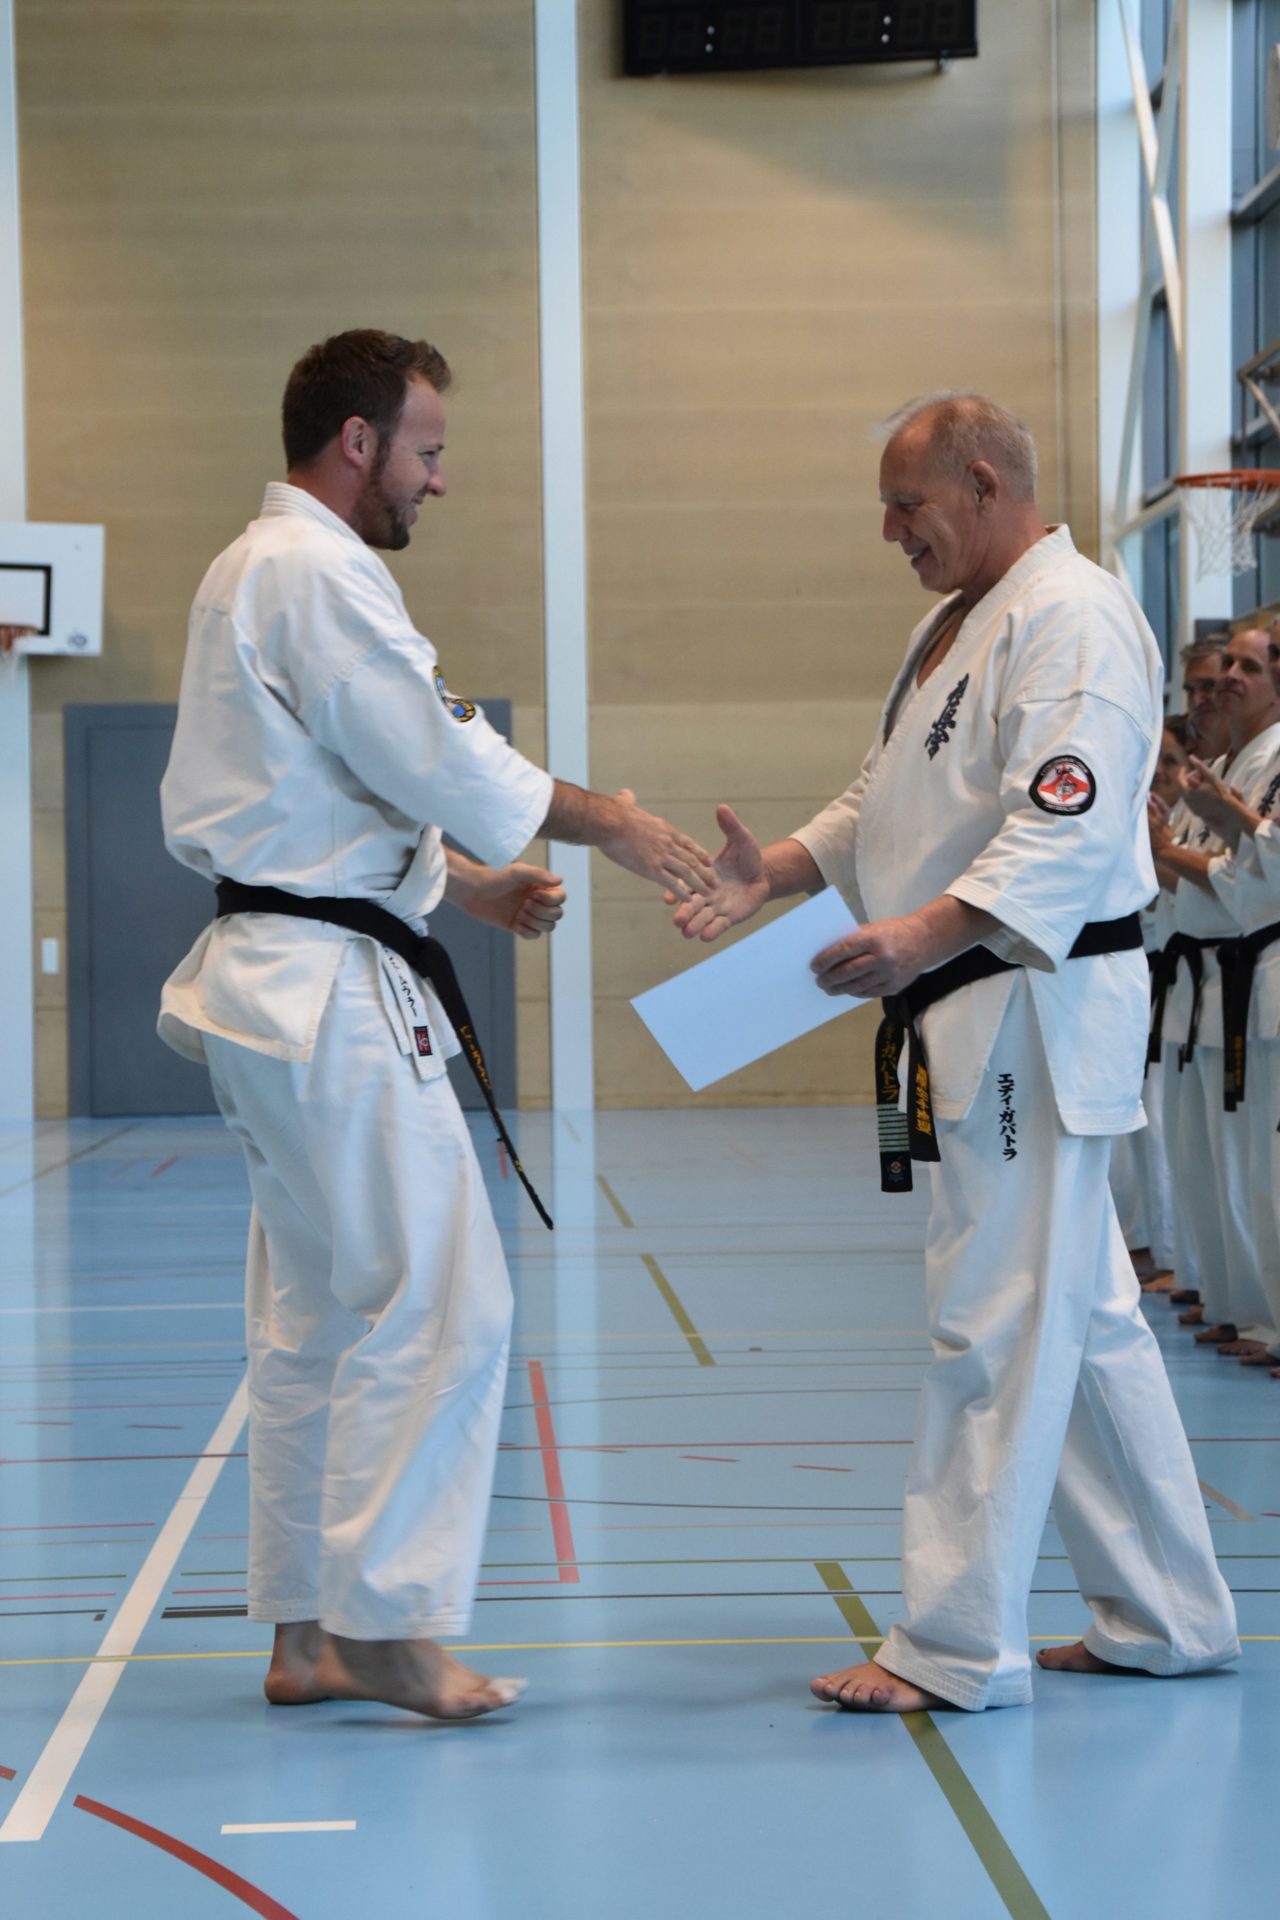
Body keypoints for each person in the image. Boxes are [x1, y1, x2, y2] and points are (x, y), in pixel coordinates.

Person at [159, 329, 714, 1723]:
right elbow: (438, 749)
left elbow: (323, 795)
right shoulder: (314, 572)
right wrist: (610, 822)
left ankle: (304, 1632)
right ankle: (389, 1626)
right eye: (426, 449)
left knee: (312, 1319)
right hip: (327, 998)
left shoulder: (250, 569)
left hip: (270, 980)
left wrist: (463, 886)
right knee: (446, 1298)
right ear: (358, 441)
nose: (438, 479)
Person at [673, 392, 1238, 1713]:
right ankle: (1168, 1616)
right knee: (1081, 1324)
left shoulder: (1071, 617)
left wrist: (919, 933)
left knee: (993, 1321)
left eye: (907, 506)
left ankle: (952, 1644)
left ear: (984, 484)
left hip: (1027, 1003)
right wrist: (780, 871)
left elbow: (1063, 822)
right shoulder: (955, 624)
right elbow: (886, 799)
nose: (889, 532)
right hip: (972, 1003)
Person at [1149, 629, 1280, 1357]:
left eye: (1243, 667)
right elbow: (1220, 874)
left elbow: (1249, 877)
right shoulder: (1225, 770)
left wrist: (1177, 851)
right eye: (1218, 670)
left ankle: (1264, 1315)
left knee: (1257, 1165)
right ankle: (1237, 1304)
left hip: (1249, 967)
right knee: (1213, 1165)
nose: (1224, 681)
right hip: (1205, 978)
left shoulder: (1271, 762)